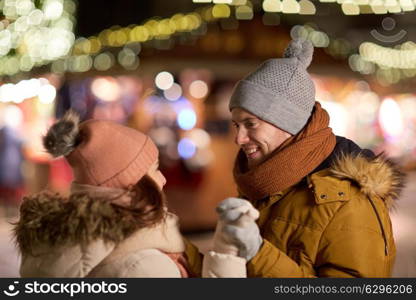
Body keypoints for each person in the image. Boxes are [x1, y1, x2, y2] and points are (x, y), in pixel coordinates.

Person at [192, 39, 405, 277]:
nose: (239, 138)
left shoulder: (347, 201)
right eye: (236, 125)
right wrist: (178, 250)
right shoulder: (266, 186)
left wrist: (258, 253)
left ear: (289, 124)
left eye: (250, 124)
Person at [14, 111, 241, 277]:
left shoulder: (57, 248)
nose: (162, 179)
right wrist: (230, 254)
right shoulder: (143, 266)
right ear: (130, 186)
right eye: (154, 170)